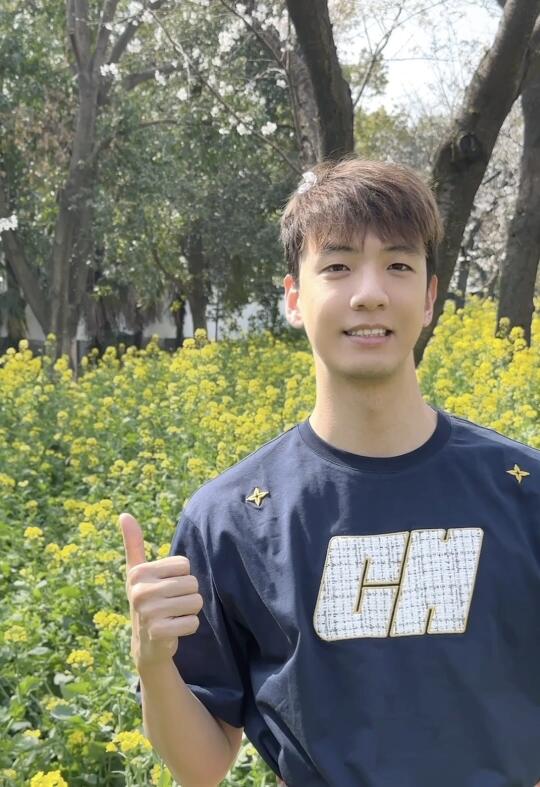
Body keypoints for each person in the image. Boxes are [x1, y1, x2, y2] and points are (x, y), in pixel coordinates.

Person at [121, 157, 540, 787]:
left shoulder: (525, 491)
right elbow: (202, 766)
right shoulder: (229, 520)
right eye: (338, 266)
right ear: (294, 298)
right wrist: (153, 663)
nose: (370, 292)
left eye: (399, 265)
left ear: (430, 298)